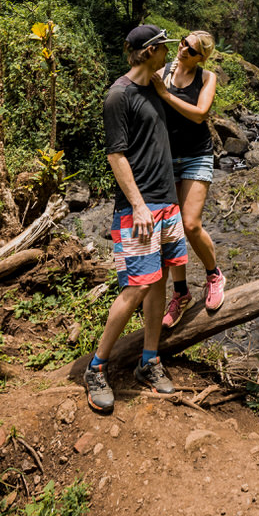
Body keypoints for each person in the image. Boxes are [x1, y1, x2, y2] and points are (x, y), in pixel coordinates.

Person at [83, 24, 187, 415]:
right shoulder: (119, 95)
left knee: (158, 280)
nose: (170, 54)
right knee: (136, 288)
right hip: (139, 209)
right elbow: (116, 155)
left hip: (166, 202)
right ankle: (96, 367)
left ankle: (149, 360)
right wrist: (139, 205)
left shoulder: (154, 88)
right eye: (165, 48)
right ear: (149, 52)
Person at [150, 30, 226, 327]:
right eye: (183, 42)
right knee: (170, 228)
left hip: (196, 154)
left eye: (191, 49)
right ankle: (180, 293)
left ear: (201, 57)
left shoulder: (206, 78)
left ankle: (214, 274)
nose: (183, 49)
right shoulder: (162, 72)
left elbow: (200, 114)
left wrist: (165, 94)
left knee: (190, 224)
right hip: (166, 156)